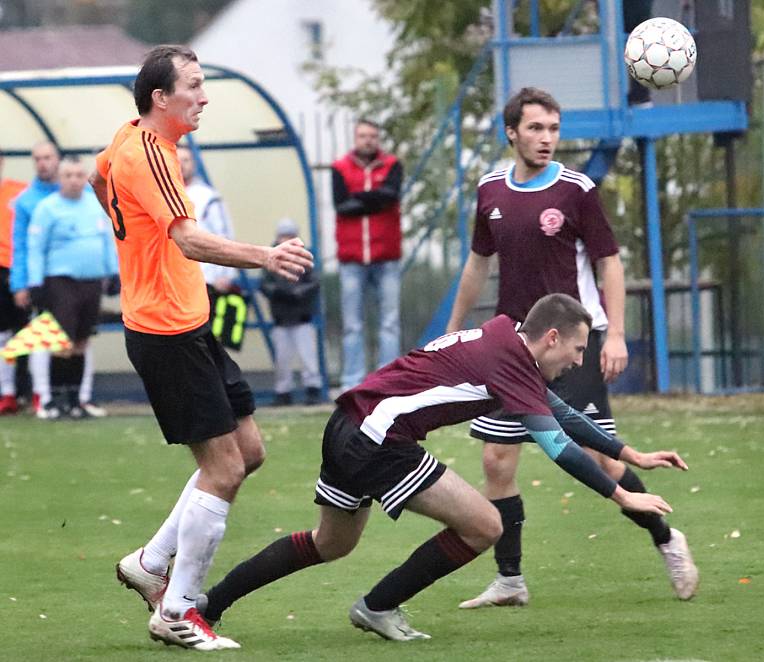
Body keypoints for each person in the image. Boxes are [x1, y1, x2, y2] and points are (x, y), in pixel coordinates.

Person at [195, 294, 688, 643]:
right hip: (379, 438)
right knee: (485, 525)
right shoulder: (511, 361)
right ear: (552, 337)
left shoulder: (506, 343)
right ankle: (378, 606)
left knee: (332, 543)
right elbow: (556, 445)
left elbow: (560, 413)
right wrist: (622, 496)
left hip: (349, 422)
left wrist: (629, 455)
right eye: (578, 349)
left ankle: (205, 607)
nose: (580, 360)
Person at [89, 45, 314, 651]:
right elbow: (188, 240)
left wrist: (134, 247)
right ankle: (178, 611)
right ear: (160, 98)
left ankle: (152, 562)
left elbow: (96, 177)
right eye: (193, 85)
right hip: (166, 334)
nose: (205, 96)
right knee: (225, 468)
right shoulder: (152, 155)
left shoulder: (128, 138)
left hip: (188, 323)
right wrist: (266, 255)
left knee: (249, 450)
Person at [446, 87, 698, 609]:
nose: (547, 139)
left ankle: (667, 539)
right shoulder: (490, 190)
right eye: (536, 128)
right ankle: (510, 581)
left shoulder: (576, 189)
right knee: (497, 461)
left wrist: (619, 334)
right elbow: (477, 263)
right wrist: (453, 329)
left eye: (554, 129)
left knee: (598, 459)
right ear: (511, 131)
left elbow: (610, 263)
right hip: (511, 349)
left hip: (570, 347)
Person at [26, 156, 118, 419]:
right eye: (68, 175)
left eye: (79, 175)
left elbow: (106, 242)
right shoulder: (48, 208)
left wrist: (113, 272)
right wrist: (35, 282)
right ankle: (55, 400)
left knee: (81, 341)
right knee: (61, 342)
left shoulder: (94, 205)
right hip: (61, 282)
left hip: (92, 282)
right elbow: (36, 249)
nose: (75, 180)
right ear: (60, 178)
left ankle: (76, 400)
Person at [332, 119, 403, 390]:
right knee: (352, 324)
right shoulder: (340, 167)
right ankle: (352, 382)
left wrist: (359, 198)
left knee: (389, 322)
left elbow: (391, 195)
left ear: (378, 138)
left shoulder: (392, 165)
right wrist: (376, 198)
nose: (368, 140)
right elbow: (342, 206)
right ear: (355, 137)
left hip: (386, 255)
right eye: (363, 135)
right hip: (351, 258)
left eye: (373, 135)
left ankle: (388, 380)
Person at [10, 141, 60, 414]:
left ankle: (78, 396)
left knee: (78, 336)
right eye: (38, 158)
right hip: (40, 280)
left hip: (71, 278)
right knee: (41, 334)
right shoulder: (27, 200)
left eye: (48, 157)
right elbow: (20, 245)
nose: (43, 163)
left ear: (57, 159)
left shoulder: (74, 192)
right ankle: (42, 394)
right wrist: (20, 283)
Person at [260, 217, 322, 406]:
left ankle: (312, 388)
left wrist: (298, 293)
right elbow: (265, 284)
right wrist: (280, 292)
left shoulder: (304, 256)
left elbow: (313, 281)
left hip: (301, 316)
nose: (285, 240)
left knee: (308, 357)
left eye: (289, 236)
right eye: (282, 236)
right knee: (282, 360)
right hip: (281, 315)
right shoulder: (270, 257)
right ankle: (283, 390)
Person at [177, 145, 238, 301]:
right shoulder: (165, 194)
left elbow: (223, 235)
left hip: (205, 278)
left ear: (194, 164)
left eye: (186, 160)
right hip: (175, 280)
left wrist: (225, 274)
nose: (182, 165)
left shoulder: (208, 196)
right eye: (177, 160)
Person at [0, 148, 28, 414]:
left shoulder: (19, 191)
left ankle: (27, 390)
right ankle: (7, 392)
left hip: (15, 269)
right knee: (3, 334)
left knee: (24, 331)